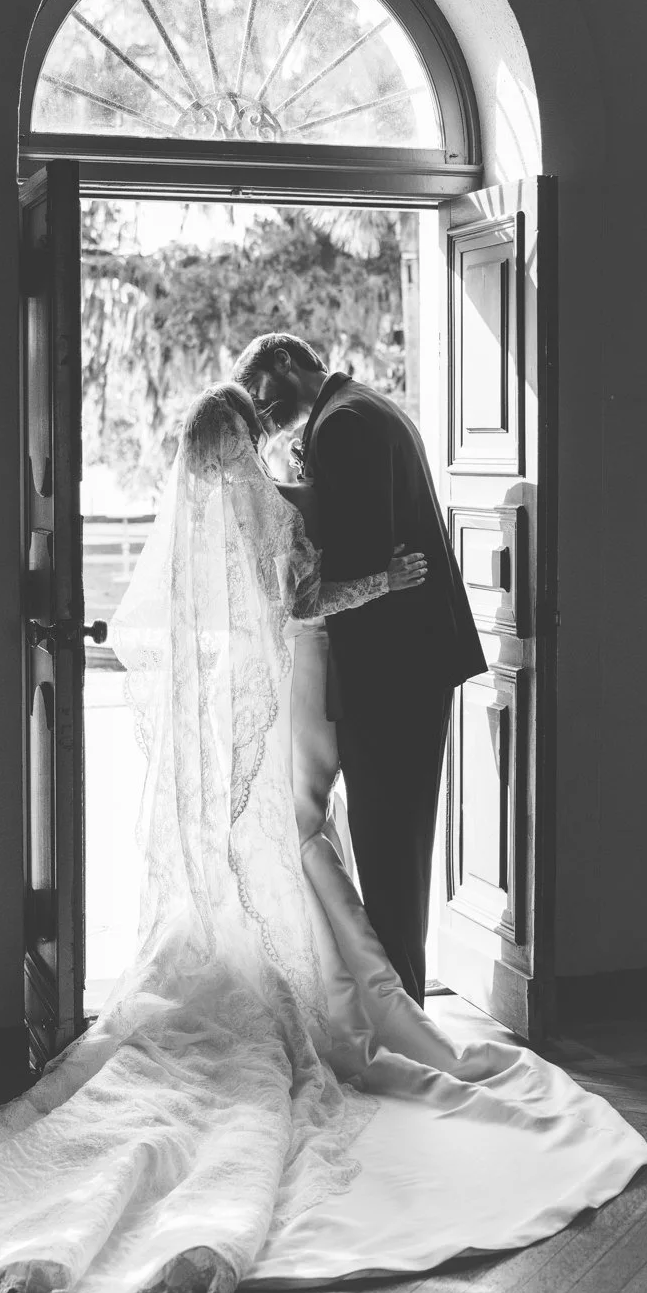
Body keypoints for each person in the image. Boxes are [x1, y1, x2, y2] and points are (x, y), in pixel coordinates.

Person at [0, 385, 647, 1293]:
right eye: (256, 432)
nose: (267, 443)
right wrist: (389, 579)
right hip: (302, 673)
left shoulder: (222, 501)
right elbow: (301, 597)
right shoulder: (258, 497)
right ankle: (346, 994)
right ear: (243, 437)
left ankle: (317, 979)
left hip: (276, 684)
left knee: (292, 832)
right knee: (301, 832)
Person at [233, 333, 485, 1003]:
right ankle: (396, 999)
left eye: (260, 391)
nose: (261, 409)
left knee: (390, 846)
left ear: (285, 362)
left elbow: (354, 552)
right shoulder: (362, 408)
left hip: (390, 668)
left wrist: (275, 509)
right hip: (402, 662)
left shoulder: (344, 424)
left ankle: (400, 1006)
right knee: (392, 841)